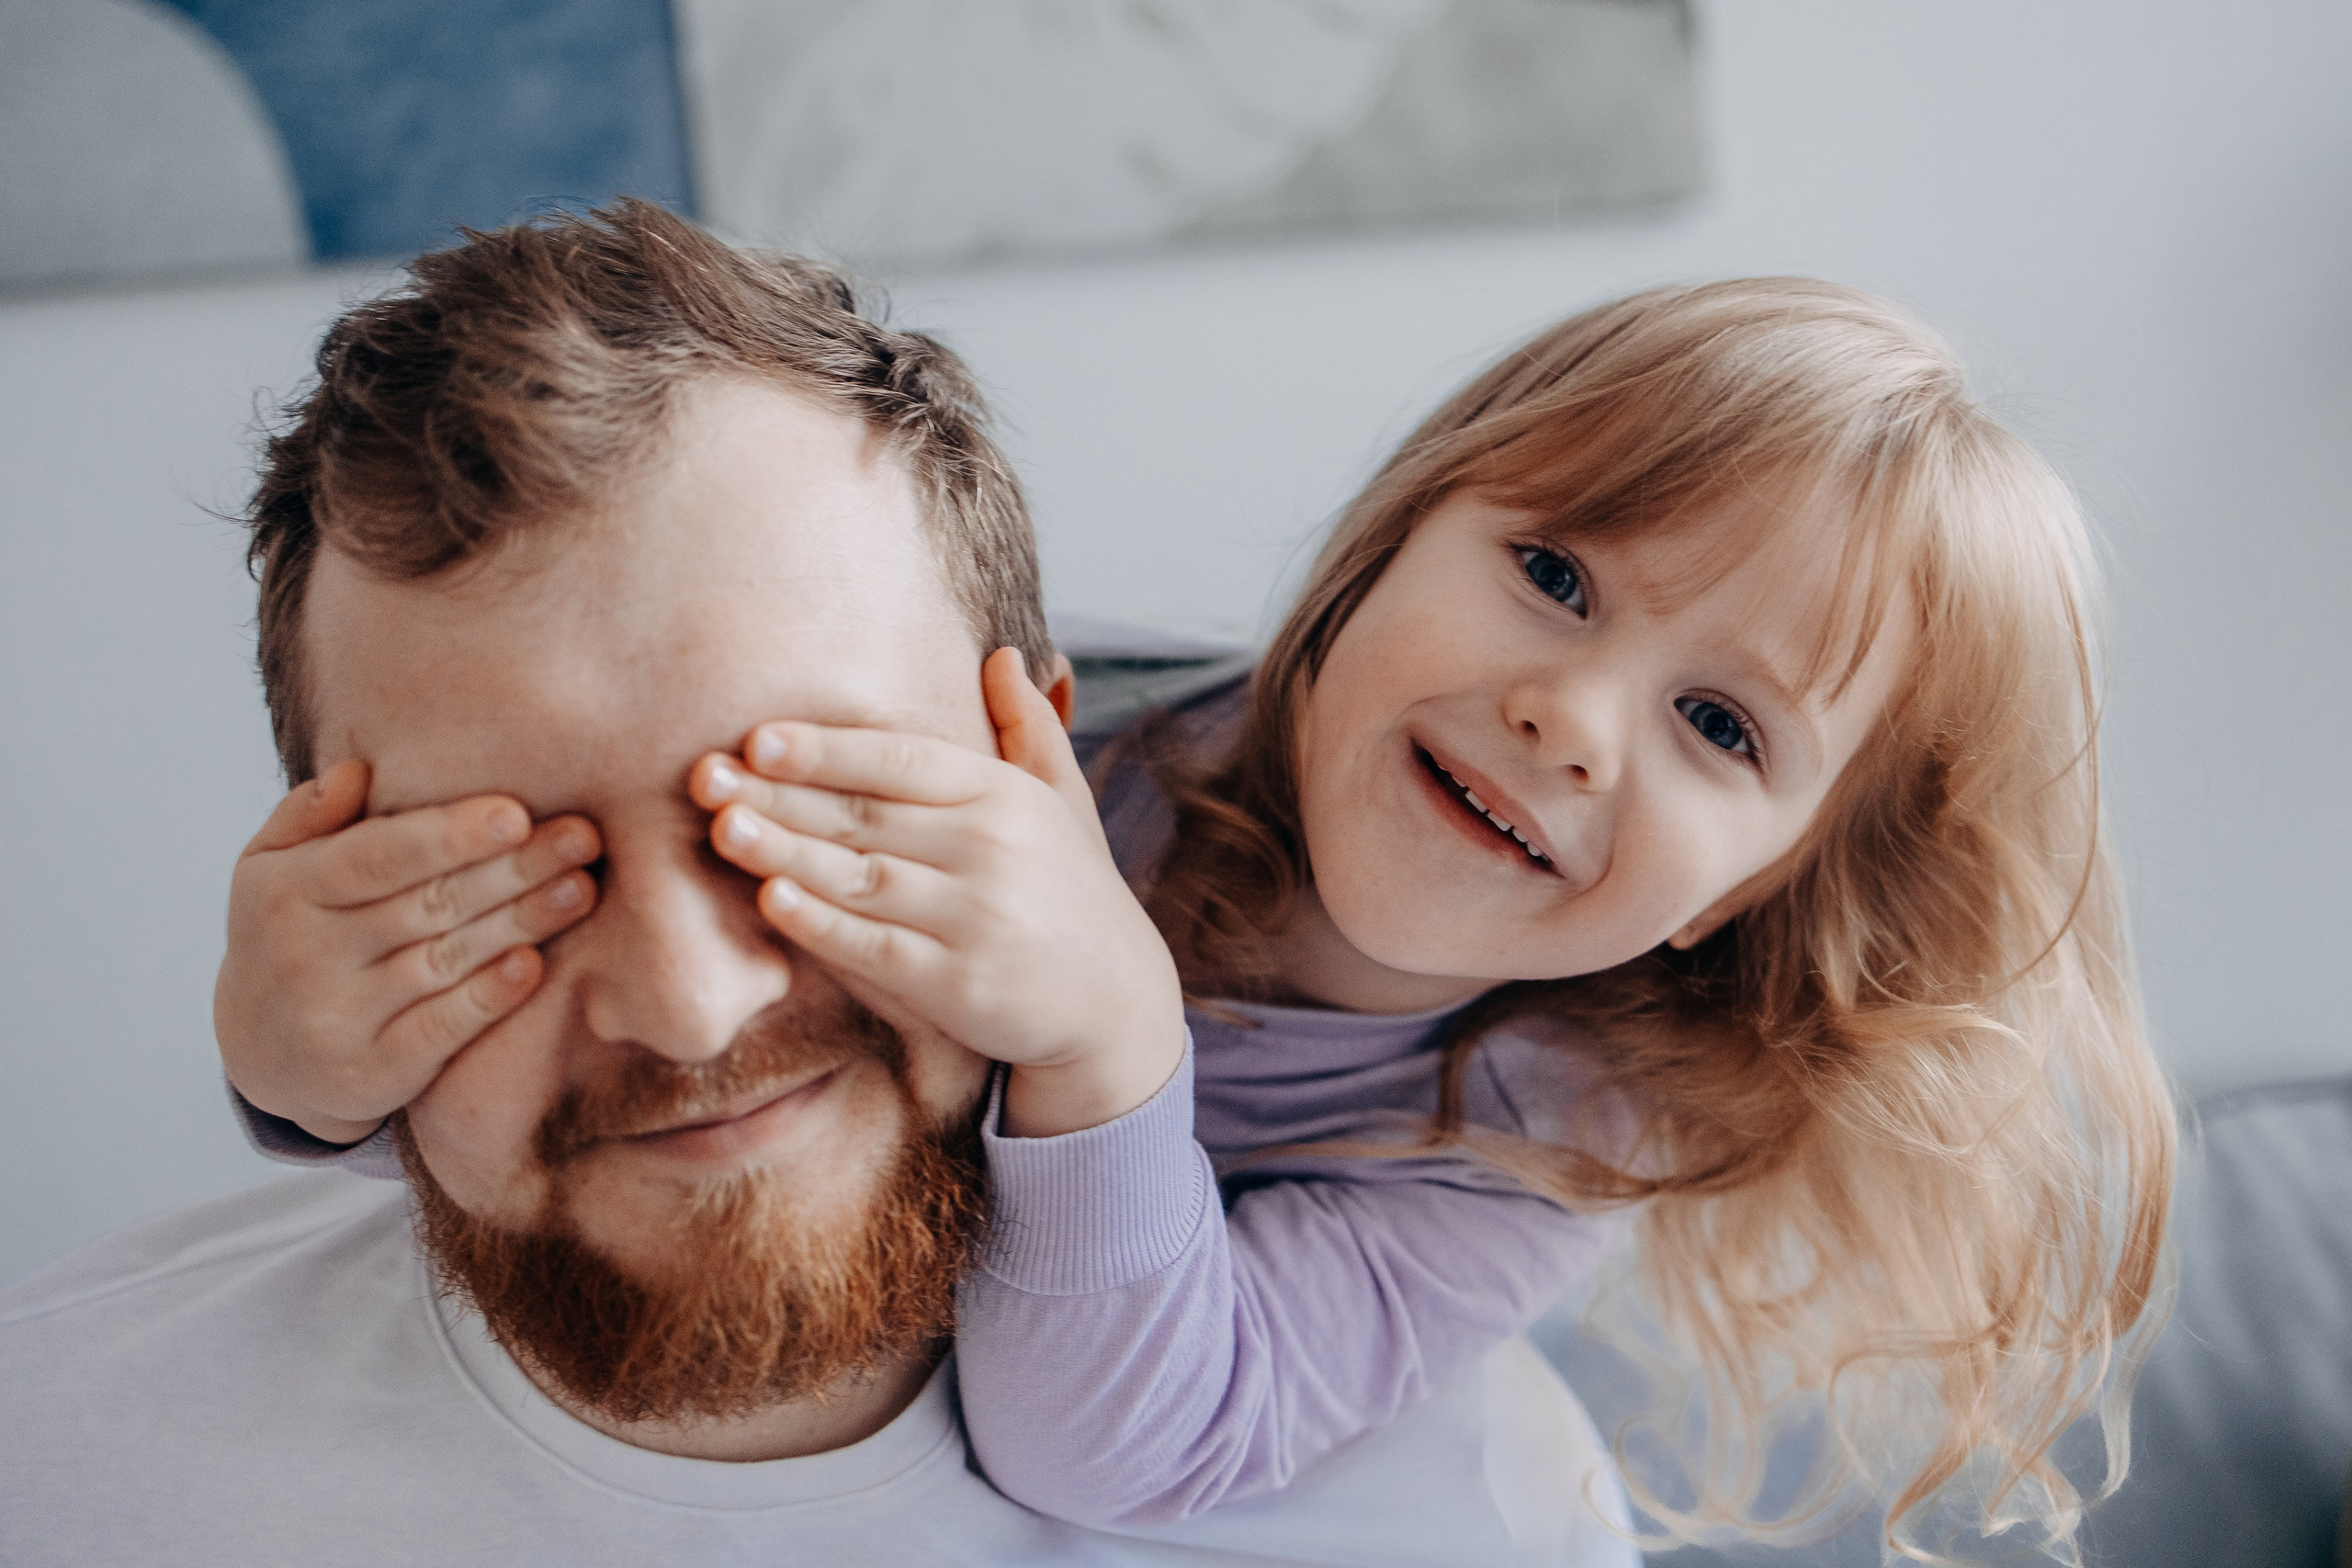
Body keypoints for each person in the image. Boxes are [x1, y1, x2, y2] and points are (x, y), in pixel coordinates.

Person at [216, 240, 2170, 1554]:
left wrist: (1104, 1038)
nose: (1569, 718)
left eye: (1721, 725)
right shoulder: (1070, 745)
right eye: (1555, 577)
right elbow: (637, 1058)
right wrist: (306, 1071)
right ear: (1387, 543)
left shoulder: (1545, 1139)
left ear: (1760, 890)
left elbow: (1114, 1446)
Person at [0, 202, 1626, 1567]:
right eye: (507, 870)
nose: (692, 1003)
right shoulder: (55, 1465)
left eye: (800, 813)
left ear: (1039, 777)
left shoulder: (1483, 1515)